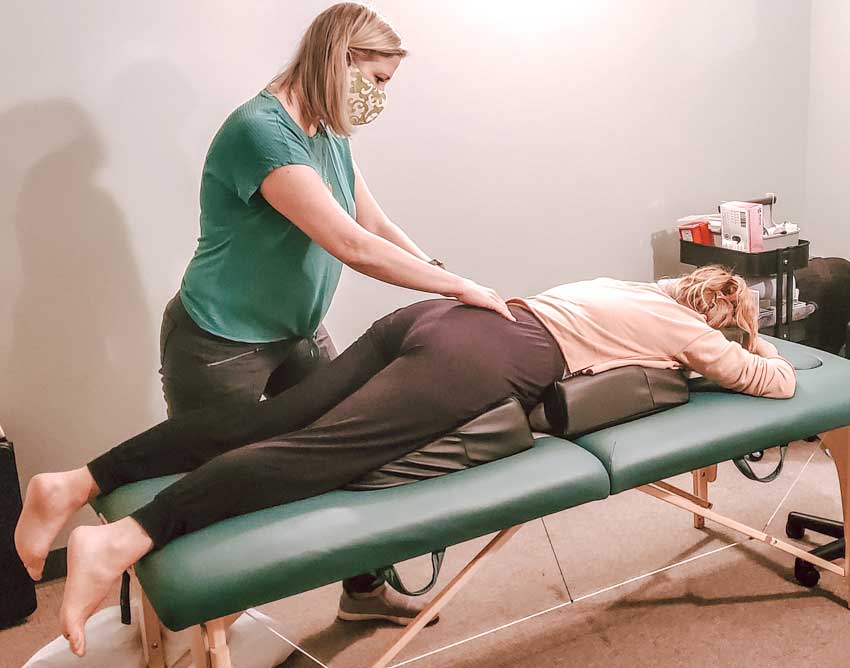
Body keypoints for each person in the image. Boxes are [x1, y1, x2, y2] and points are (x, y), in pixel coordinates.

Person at [16, 265, 796, 655]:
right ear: (719, 319)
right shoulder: (688, 333)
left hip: (441, 315)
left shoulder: (625, 288)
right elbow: (774, 381)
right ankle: (122, 539)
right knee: (318, 456)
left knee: (278, 417)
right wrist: (751, 347)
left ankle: (78, 481)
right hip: (486, 359)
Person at [156, 1, 514, 624]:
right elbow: (349, 244)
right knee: (215, 477)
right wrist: (457, 286)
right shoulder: (262, 132)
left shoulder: (327, 131)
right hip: (219, 342)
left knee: (349, 445)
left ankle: (363, 592)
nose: (380, 97)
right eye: (377, 80)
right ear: (339, 59)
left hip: (295, 331)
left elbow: (371, 222)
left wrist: (438, 274)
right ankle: (210, 634)